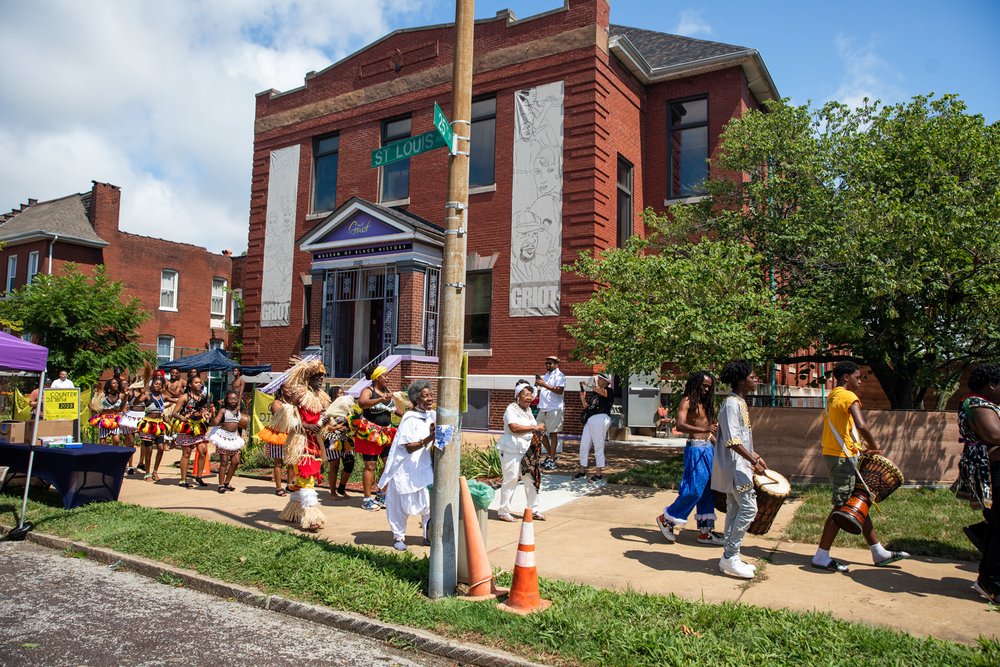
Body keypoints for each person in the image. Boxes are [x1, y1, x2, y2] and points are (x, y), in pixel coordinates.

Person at [811, 360, 909, 572]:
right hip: (841, 458)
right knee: (842, 506)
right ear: (846, 377)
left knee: (858, 501)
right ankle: (821, 556)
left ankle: (878, 551)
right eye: (858, 377)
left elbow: (842, 429)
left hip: (838, 453)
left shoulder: (834, 395)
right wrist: (875, 447)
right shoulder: (848, 396)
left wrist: (857, 447)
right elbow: (862, 424)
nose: (860, 382)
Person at [712, 360, 766, 579]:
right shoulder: (732, 404)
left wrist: (755, 456)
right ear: (741, 380)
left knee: (735, 508)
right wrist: (752, 460)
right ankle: (730, 555)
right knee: (748, 509)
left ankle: (730, 556)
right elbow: (733, 441)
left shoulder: (739, 403)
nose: (756, 380)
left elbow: (740, 438)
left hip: (740, 465)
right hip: (735, 467)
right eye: (753, 377)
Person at [656, 371, 722, 545]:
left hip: (709, 449)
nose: (707, 389)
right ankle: (667, 519)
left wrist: (720, 447)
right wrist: (705, 430)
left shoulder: (706, 404)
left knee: (708, 490)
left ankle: (705, 531)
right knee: (693, 490)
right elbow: (679, 424)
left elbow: (709, 432)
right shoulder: (687, 401)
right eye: (704, 385)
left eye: (709, 386)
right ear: (695, 384)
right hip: (695, 450)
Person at [956, 364, 1000, 604]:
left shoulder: (985, 404)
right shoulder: (976, 403)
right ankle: (991, 581)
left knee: (996, 525)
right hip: (991, 471)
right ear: (991, 385)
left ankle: (988, 578)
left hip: (991, 467)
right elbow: (994, 435)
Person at [276, 356, 332, 531]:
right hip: (300, 441)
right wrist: (305, 425)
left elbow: (319, 418)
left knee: (304, 477)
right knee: (307, 477)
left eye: (322, 377)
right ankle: (312, 518)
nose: (321, 380)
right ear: (309, 379)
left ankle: (291, 512)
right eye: (317, 377)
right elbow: (289, 413)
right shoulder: (300, 394)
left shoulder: (321, 397)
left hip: (313, 442)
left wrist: (325, 421)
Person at [378, 380, 435, 550]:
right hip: (405, 468)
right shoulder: (409, 418)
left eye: (431, 395)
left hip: (424, 467)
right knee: (400, 506)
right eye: (426, 396)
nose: (430, 399)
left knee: (429, 504)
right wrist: (429, 439)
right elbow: (409, 447)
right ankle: (398, 537)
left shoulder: (431, 415)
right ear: (417, 399)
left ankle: (428, 535)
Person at [351, 365, 402, 512]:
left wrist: (412, 412)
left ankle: (381, 494)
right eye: (385, 375)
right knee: (370, 466)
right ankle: (367, 499)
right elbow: (362, 403)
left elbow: (398, 412)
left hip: (386, 434)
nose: (387, 377)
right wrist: (380, 398)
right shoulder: (368, 391)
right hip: (370, 434)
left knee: (389, 465)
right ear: (377, 377)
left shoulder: (387, 392)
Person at [496, 380, 547, 522]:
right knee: (511, 479)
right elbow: (514, 428)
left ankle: (533, 509)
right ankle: (504, 511)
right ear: (518, 396)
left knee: (531, 480)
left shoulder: (529, 411)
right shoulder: (511, 409)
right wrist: (534, 428)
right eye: (526, 395)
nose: (529, 398)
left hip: (527, 451)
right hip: (511, 449)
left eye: (531, 395)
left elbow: (533, 429)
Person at [172, 375, 213, 488]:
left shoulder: (203, 397)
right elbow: (174, 413)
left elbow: (204, 409)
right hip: (187, 427)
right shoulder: (184, 397)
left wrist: (207, 413)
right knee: (187, 453)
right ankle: (183, 480)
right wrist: (184, 418)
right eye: (196, 382)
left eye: (200, 382)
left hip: (199, 426)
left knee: (203, 450)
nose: (199, 384)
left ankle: (199, 477)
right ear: (190, 384)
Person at [256, 384, 296, 496]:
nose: (290, 389)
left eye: (291, 387)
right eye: (287, 388)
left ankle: (289, 485)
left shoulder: (293, 403)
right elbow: (281, 418)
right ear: (281, 389)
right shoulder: (277, 403)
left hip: (290, 435)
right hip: (278, 435)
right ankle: (278, 488)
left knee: (291, 462)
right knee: (278, 463)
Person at [575, 373, 612, 482]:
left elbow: (603, 393)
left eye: (601, 379)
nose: (599, 380)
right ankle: (582, 471)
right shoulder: (594, 394)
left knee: (598, 446)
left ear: (606, 382)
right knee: (584, 446)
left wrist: (590, 385)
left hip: (601, 418)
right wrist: (583, 399)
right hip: (590, 420)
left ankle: (599, 474)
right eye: (599, 378)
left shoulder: (609, 391)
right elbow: (588, 408)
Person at [209, 390, 246, 494]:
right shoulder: (223, 410)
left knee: (236, 462)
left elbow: (239, 425)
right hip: (223, 437)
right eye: (230, 399)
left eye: (235, 399)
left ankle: (227, 482)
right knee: (224, 462)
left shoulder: (239, 411)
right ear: (227, 400)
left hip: (234, 438)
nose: (233, 401)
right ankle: (220, 485)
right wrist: (211, 416)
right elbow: (216, 422)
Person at [322, 387, 355, 498]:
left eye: (343, 393)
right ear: (334, 395)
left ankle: (341, 488)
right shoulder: (328, 408)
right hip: (332, 440)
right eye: (340, 393)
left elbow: (352, 421)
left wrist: (348, 427)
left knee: (349, 464)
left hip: (346, 439)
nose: (342, 395)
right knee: (334, 466)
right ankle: (332, 492)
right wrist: (337, 427)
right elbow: (324, 424)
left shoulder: (347, 408)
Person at [137, 376, 170, 481]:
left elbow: (176, 399)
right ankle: (147, 473)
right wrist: (141, 393)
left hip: (159, 425)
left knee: (160, 448)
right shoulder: (147, 395)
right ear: (152, 385)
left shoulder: (163, 396)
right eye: (156, 384)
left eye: (160, 384)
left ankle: (155, 471)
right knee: (149, 449)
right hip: (148, 425)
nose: (158, 386)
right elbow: (137, 401)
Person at [535, 355, 565, 471]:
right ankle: (551, 455)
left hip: (554, 409)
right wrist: (540, 384)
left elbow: (560, 390)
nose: (547, 365)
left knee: (553, 434)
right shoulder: (547, 375)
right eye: (546, 363)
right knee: (539, 431)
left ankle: (552, 460)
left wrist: (544, 385)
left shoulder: (560, 375)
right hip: (543, 408)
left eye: (550, 363)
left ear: (556, 364)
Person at [118, 380, 146, 474]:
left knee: (145, 441)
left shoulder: (146, 393)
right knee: (130, 442)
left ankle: (141, 462)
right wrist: (125, 396)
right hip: (131, 417)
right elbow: (122, 406)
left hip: (143, 417)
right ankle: (130, 466)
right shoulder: (130, 393)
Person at [89, 377, 124, 447]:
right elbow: (90, 404)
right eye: (114, 383)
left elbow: (120, 406)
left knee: (116, 440)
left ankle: (115, 454)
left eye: (117, 383)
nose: (116, 384)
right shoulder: (103, 395)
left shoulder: (120, 395)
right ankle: (105, 455)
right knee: (102, 441)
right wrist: (94, 410)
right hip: (104, 419)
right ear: (109, 385)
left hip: (114, 419)